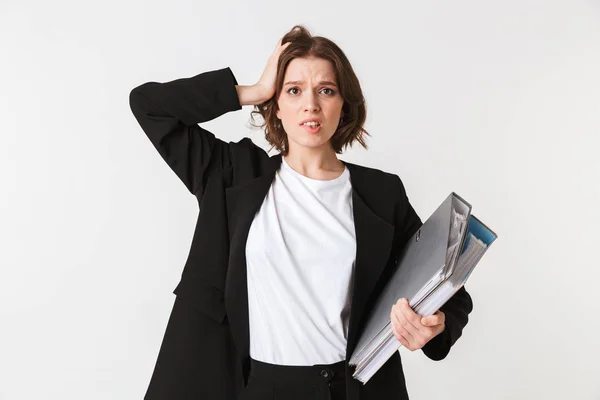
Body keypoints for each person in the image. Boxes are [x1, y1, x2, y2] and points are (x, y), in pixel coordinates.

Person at [129, 24, 473, 400]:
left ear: (344, 106)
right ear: (276, 105)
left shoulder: (381, 193)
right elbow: (149, 105)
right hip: (260, 388)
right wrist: (253, 90)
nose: (310, 104)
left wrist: (433, 326)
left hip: (353, 390)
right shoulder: (232, 177)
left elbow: (446, 284)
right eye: (293, 91)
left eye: (326, 90)